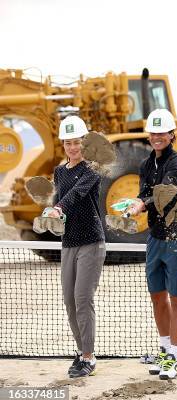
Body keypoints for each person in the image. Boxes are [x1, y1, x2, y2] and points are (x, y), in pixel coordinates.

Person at [129, 108, 177, 380]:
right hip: (156, 237)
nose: (157, 137)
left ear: (171, 135)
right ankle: (165, 349)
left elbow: (162, 194)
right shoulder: (147, 164)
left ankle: (176, 355)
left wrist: (141, 204)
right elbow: (144, 192)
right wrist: (135, 201)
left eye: (162, 133)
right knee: (157, 296)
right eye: (153, 133)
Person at [48, 115, 107, 378]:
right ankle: (81, 350)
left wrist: (59, 207)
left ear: (85, 143)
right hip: (68, 242)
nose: (73, 147)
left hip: (91, 242)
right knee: (70, 302)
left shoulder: (92, 170)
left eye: (77, 142)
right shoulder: (59, 172)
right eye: (68, 143)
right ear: (63, 144)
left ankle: (89, 357)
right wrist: (53, 212)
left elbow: (75, 195)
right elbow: (60, 199)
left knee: (83, 298)